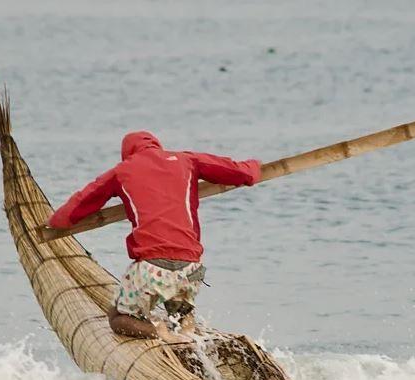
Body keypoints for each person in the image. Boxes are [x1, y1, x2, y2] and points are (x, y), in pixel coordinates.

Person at [45, 131, 262, 343]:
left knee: (118, 318)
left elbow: (79, 204)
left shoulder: (122, 171)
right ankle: (186, 333)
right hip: (191, 268)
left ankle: (158, 330)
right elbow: (244, 173)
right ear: (157, 145)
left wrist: (55, 221)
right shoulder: (186, 160)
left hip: (151, 268)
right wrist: (254, 164)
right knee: (180, 314)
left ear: (127, 153)